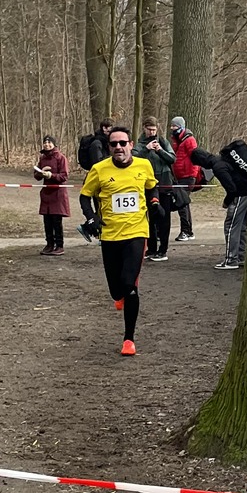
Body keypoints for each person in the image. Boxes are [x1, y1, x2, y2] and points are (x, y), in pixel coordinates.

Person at [80, 126, 158, 356]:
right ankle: (120, 295)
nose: (119, 147)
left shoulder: (144, 165)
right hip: (110, 235)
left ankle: (128, 339)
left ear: (131, 145)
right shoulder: (99, 169)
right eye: (114, 144)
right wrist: (91, 218)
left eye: (123, 143)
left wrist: (155, 202)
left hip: (136, 233)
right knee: (116, 291)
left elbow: (152, 187)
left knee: (129, 285)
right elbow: (85, 196)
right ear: (109, 147)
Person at [193, 139, 247, 271]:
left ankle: (231, 259)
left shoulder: (218, 167)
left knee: (230, 226)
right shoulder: (224, 158)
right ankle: (241, 256)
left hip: (241, 195)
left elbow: (231, 189)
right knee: (241, 226)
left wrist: (226, 202)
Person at [137, 119, 174, 260]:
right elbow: (134, 159)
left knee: (164, 217)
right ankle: (151, 249)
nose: (152, 132)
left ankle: (163, 250)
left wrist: (160, 151)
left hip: (164, 183)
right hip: (147, 184)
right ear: (144, 128)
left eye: (154, 129)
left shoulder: (163, 142)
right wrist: (146, 149)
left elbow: (172, 159)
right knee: (150, 218)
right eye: (149, 129)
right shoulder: (140, 144)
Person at [77, 119, 118, 236]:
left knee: (107, 206)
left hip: (106, 178)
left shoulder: (105, 143)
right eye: (110, 128)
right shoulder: (97, 144)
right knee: (100, 207)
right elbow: (97, 163)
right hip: (97, 180)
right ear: (104, 128)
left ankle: (90, 229)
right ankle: (92, 229)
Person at [34, 134, 70, 254]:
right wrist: (41, 173)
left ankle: (59, 246)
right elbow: (36, 176)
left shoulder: (61, 158)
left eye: (49, 142)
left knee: (56, 221)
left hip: (58, 193)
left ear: (54, 144)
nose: (47, 144)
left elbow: (64, 176)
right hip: (46, 194)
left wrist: (51, 176)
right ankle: (49, 244)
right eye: (45, 142)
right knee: (47, 221)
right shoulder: (42, 158)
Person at [168, 117, 200, 241]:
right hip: (179, 177)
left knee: (181, 203)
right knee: (184, 203)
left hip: (188, 176)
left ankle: (185, 231)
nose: (172, 128)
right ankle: (189, 231)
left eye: (174, 126)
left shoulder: (189, 140)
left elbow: (195, 158)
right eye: (171, 126)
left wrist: (193, 175)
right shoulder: (176, 141)